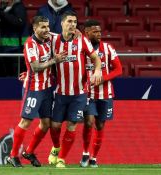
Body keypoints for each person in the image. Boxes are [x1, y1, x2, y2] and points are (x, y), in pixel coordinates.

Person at [6, 16, 67, 168]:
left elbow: (66, 34)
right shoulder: (30, 44)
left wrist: (77, 32)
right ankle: (13, 156)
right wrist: (55, 60)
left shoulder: (49, 37)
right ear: (34, 28)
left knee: (46, 123)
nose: (46, 30)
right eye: (42, 27)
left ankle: (29, 151)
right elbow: (35, 67)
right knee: (26, 121)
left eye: (47, 26)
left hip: (46, 88)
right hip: (33, 88)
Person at [47, 11, 102, 168]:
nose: (72, 24)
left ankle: (62, 159)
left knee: (72, 125)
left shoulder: (82, 40)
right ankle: (56, 147)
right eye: (69, 21)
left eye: (75, 22)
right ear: (62, 23)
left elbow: (96, 59)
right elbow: (36, 30)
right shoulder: (53, 39)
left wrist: (97, 70)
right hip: (60, 92)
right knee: (55, 126)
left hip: (79, 94)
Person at [80, 19, 122, 168]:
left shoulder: (108, 48)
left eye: (99, 31)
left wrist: (103, 78)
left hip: (106, 94)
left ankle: (94, 157)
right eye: (95, 32)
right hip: (88, 94)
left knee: (100, 125)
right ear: (87, 33)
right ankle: (85, 153)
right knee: (88, 122)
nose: (99, 34)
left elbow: (119, 69)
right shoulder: (82, 49)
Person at [0, 0, 29, 77]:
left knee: (14, 80)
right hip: (3, 50)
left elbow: (18, 22)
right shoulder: (3, 9)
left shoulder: (19, 8)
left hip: (16, 52)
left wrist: (1, 14)